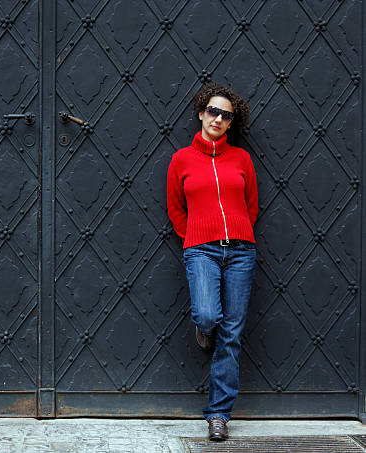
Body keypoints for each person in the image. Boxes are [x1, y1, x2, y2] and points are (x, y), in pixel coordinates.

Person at [166, 83, 258, 441]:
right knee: (208, 315)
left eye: (226, 115)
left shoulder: (242, 160)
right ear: (201, 113)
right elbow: (176, 208)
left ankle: (218, 414)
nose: (218, 118)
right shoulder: (181, 160)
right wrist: (195, 237)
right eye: (213, 111)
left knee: (232, 335)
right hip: (201, 249)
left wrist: (239, 232)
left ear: (232, 122)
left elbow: (251, 205)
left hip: (240, 251)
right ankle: (204, 330)